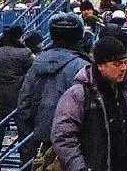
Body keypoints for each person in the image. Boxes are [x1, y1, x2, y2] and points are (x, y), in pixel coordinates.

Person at [51, 35, 127, 171]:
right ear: (100, 66)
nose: (123, 68)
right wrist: (80, 168)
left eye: (125, 62)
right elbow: (63, 137)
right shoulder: (79, 93)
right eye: (117, 64)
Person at [16, 13, 89, 159]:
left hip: (40, 137)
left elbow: (24, 103)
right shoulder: (83, 67)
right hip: (71, 142)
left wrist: (31, 131)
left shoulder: (37, 63)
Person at [0, 26, 32, 166]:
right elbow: (31, 76)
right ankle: (26, 162)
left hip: (0, 97)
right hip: (19, 98)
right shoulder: (25, 53)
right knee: (23, 131)